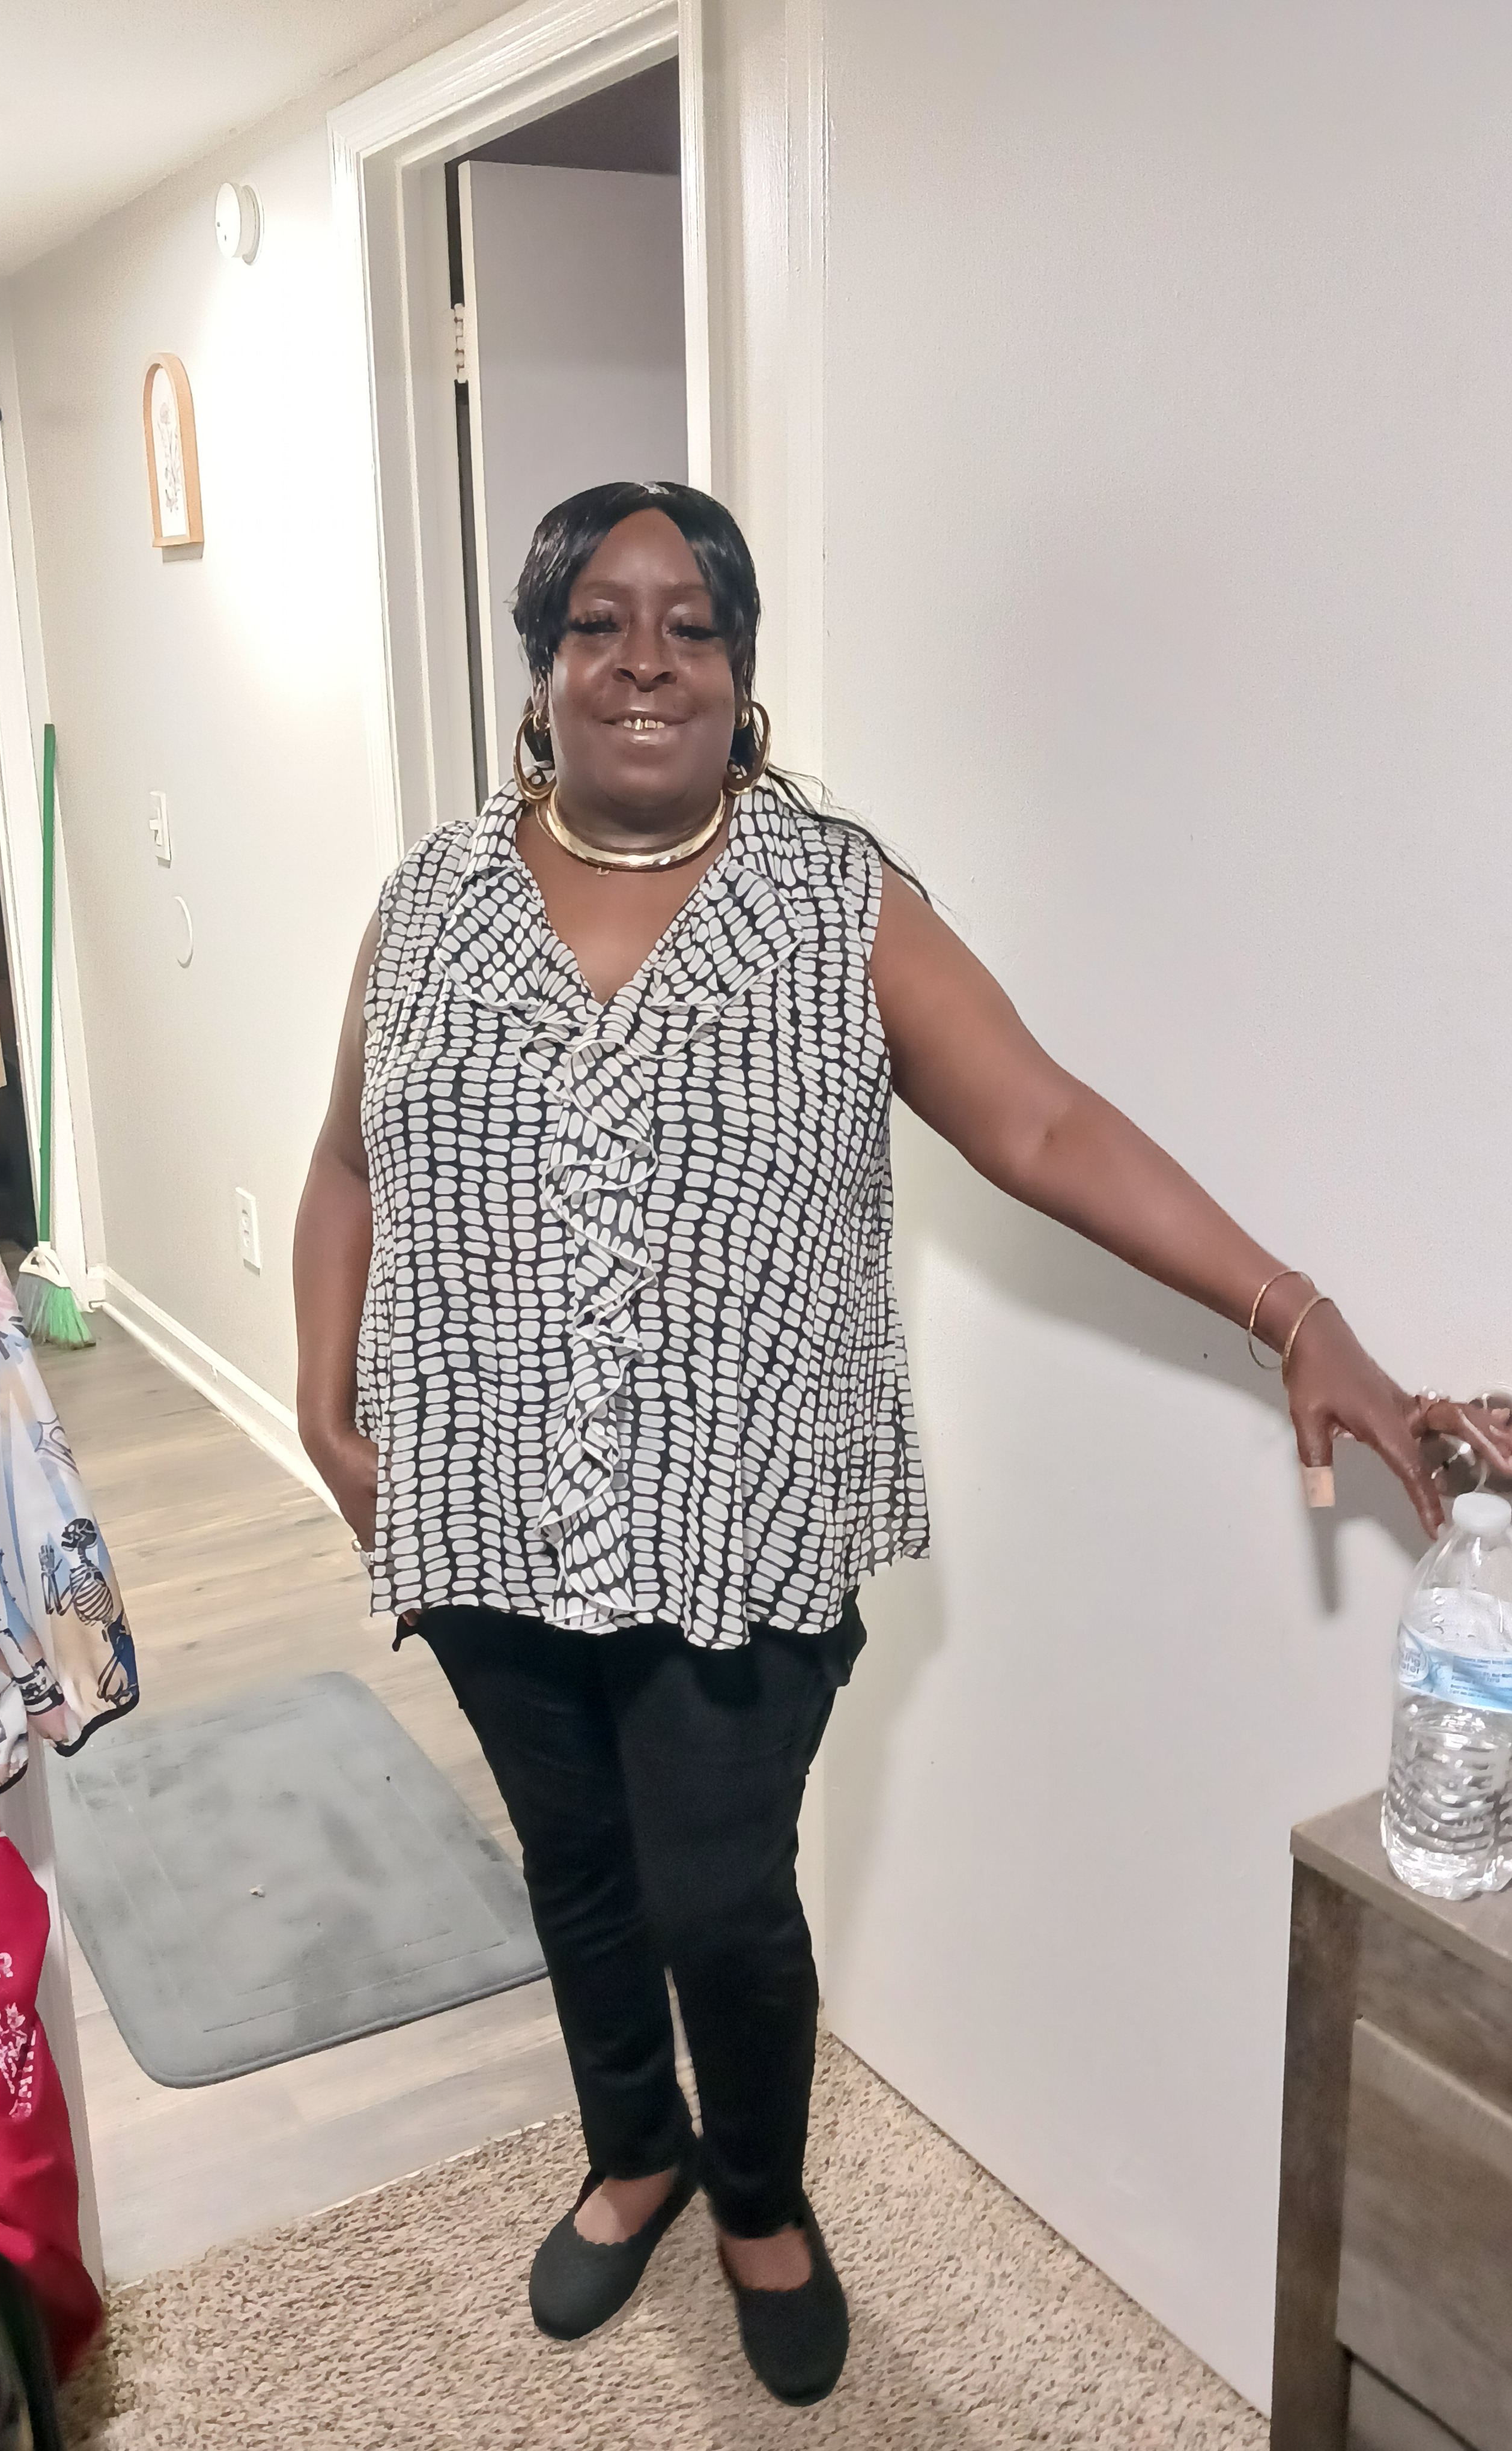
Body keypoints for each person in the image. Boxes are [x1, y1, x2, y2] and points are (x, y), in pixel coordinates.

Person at [292, 479, 1511, 2408]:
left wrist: (1299, 1314)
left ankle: (756, 2196)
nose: (644, 661)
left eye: (690, 625)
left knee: (716, 1895)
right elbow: (347, 1164)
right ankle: (631, 2151)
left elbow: (1042, 1125)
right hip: (479, 1496)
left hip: (749, 1513)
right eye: (599, 622)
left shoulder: (834, 898)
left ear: (740, 671)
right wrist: (319, 1392)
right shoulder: (427, 901)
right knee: (575, 1857)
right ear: (538, 671)